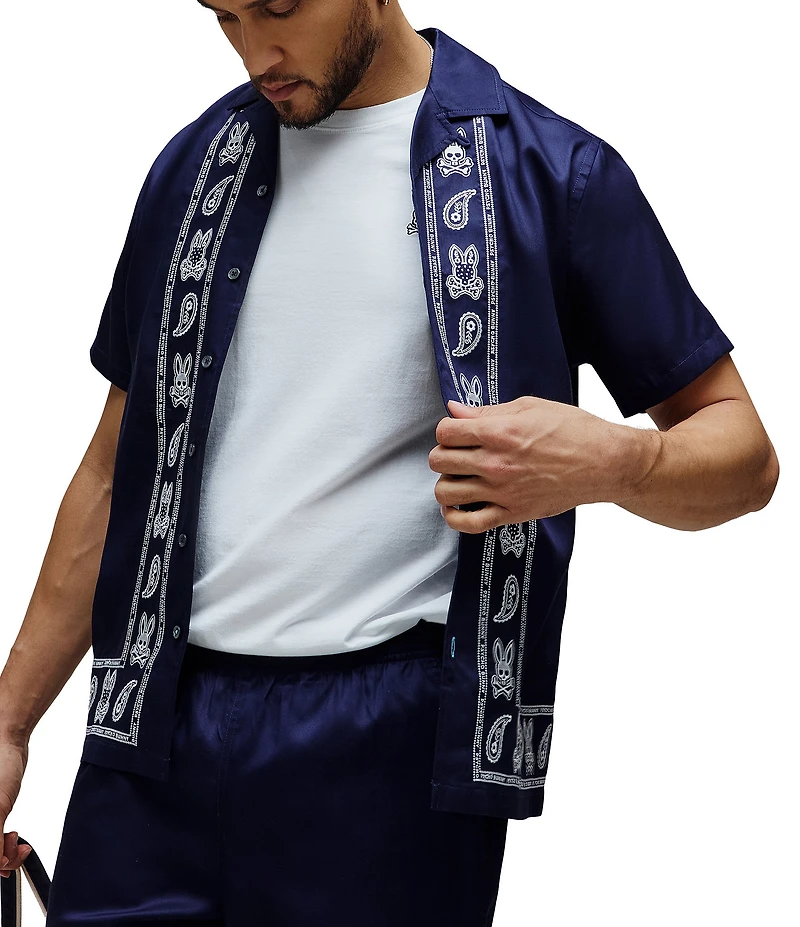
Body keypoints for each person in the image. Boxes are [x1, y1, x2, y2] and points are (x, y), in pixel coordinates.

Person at [0, 0, 779, 923]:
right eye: (226, 17)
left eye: (280, 7)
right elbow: (113, 469)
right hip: (152, 734)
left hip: (387, 749)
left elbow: (744, 455)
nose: (256, 50)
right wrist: (10, 722)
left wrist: (615, 462)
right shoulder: (194, 168)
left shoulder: (552, 173)